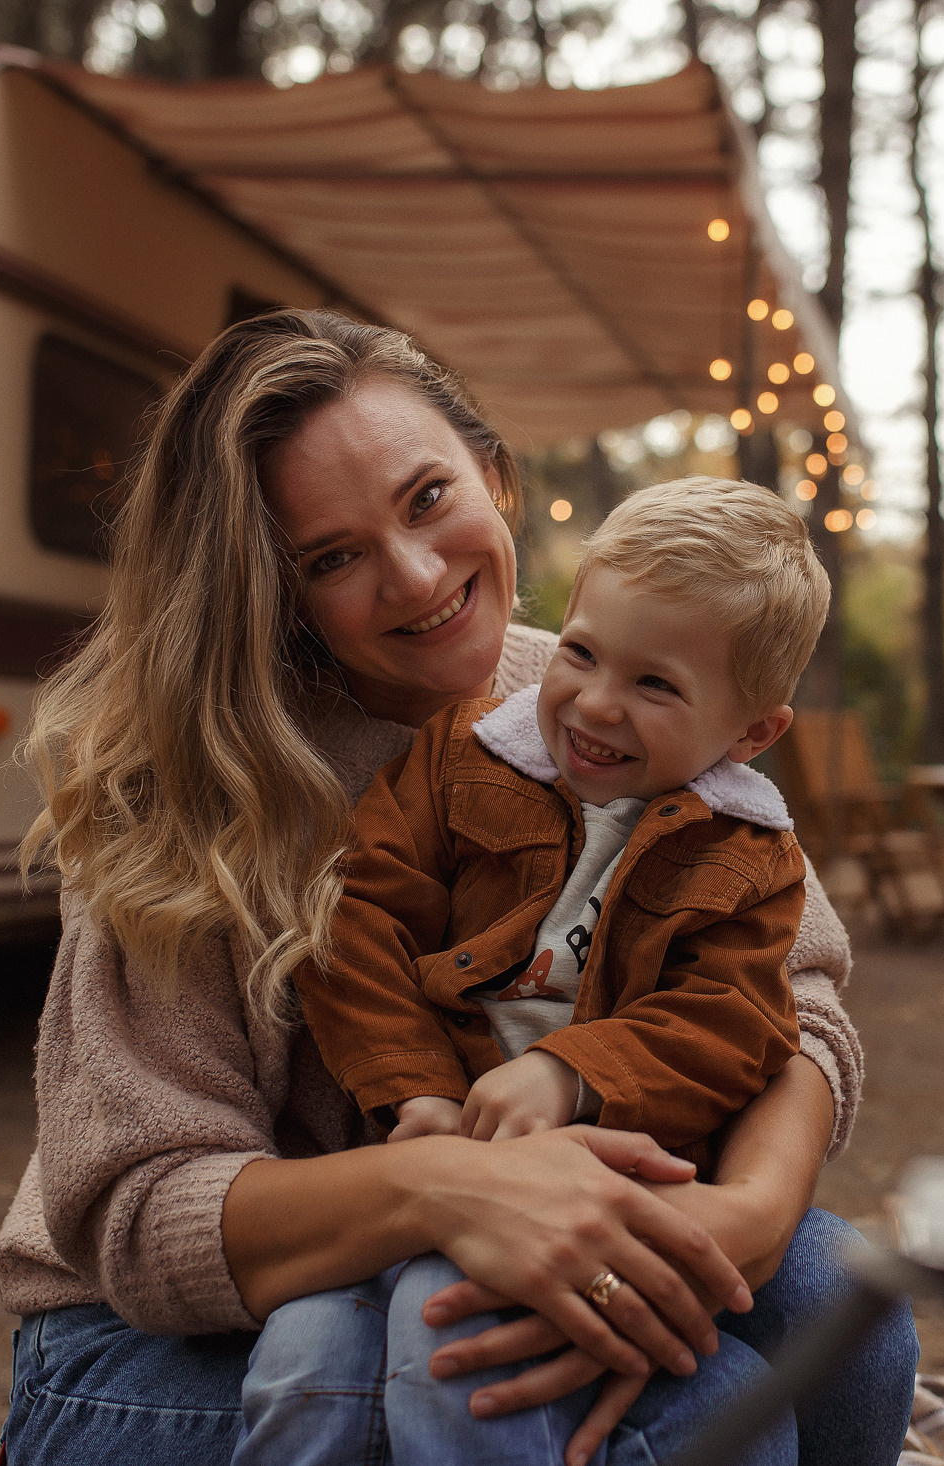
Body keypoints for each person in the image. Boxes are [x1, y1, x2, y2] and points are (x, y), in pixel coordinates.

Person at [0, 309, 918, 1466]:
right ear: (269, 588)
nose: (417, 577)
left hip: (516, 1218)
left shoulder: (602, 694)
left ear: (492, 473)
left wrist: (752, 1211)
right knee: (691, 1413)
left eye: (427, 498)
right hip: (164, 1340)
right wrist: (448, 1187)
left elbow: (795, 1001)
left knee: (840, 1311)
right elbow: (145, 1212)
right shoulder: (186, 780)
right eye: (332, 557)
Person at [237, 479, 831, 1462]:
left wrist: (572, 1070)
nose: (594, 702)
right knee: (302, 1359)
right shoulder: (465, 755)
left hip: (601, 1175)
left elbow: (736, 1022)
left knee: (454, 1338)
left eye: (655, 685)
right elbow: (354, 916)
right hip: (421, 1159)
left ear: (752, 732)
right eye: (582, 653)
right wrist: (416, 1093)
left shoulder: (752, 858)